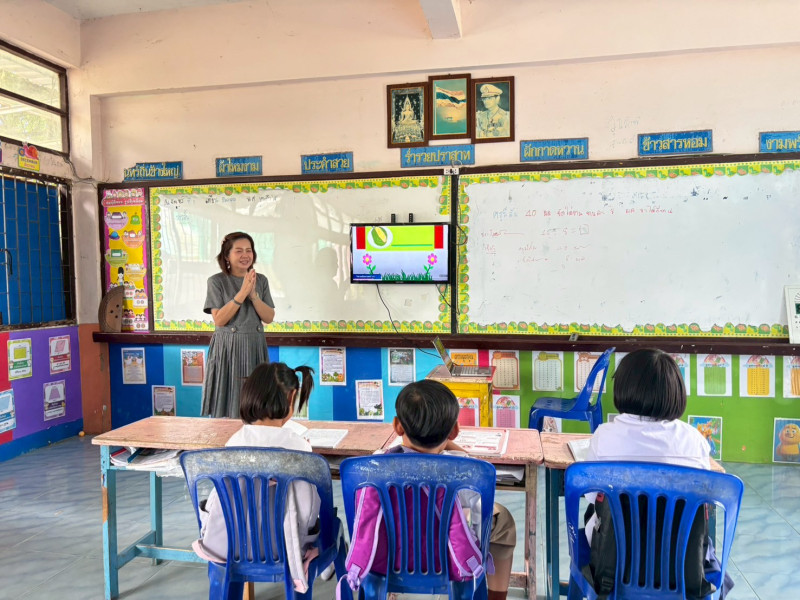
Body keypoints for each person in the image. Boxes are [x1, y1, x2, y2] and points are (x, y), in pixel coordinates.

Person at [348, 380, 516, 600]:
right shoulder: (463, 471)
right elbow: (480, 499)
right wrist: (449, 442)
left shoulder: (375, 465)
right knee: (503, 520)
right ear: (454, 431)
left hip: (386, 561)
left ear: (397, 426)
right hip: (449, 559)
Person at [584, 348, 733, 598]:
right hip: (682, 567)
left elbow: (591, 498)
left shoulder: (604, 436)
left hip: (615, 565)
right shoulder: (695, 440)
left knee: (594, 513)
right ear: (676, 392)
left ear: (624, 388)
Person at [193, 362, 321, 592]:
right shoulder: (299, 447)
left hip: (233, 545)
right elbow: (308, 511)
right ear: (291, 399)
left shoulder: (233, 443)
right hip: (285, 547)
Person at [201, 232, 275, 418]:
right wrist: (242, 293)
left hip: (254, 346)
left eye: (249, 250)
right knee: (227, 408)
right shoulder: (216, 281)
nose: (245, 255)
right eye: (239, 251)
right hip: (228, 348)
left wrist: (254, 296)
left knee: (256, 406)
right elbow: (219, 320)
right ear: (227, 256)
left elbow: (268, 317)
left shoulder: (261, 280)